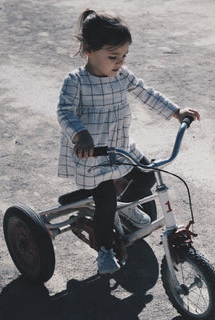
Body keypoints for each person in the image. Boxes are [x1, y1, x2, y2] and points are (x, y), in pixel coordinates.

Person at [56, 9, 200, 274]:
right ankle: (105, 250)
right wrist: (81, 134)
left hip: (121, 146)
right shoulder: (76, 82)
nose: (119, 62)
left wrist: (175, 111)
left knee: (146, 177)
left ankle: (125, 209)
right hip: (93, 154)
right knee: (105, 200)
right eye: (113, 57)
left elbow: (145, 92)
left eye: (123, 56)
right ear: (88, 50)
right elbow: (64, 111)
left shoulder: (122, 76)